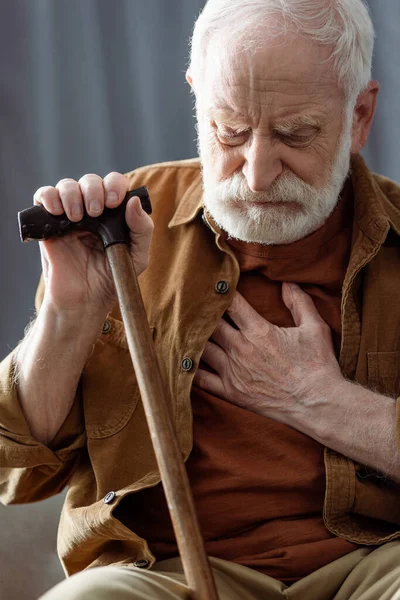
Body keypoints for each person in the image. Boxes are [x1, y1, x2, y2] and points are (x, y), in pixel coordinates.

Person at [1, 0, 400, 598]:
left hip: (375, 565)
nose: (258, 172)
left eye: (295, 134)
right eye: (230, 131)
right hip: (167, 576)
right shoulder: (112, 231)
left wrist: (322, 401)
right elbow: (16, 472)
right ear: (197, 96)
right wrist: (69, 314)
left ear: (360, 115)